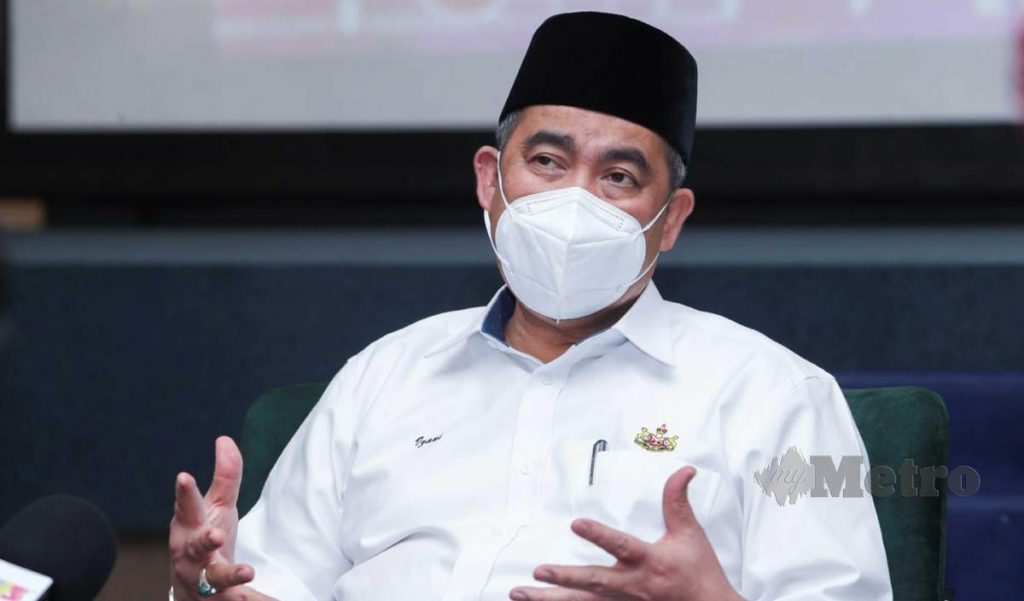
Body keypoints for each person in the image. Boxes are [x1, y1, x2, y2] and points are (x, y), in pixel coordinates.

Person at [169, 12, 892, 601]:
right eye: (547, 162)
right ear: (490, 179)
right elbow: (263, 585)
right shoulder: (383, 376)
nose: (574, 200)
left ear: (670, 219)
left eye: (618, 176)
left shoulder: (777, 395)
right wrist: (200, 585)